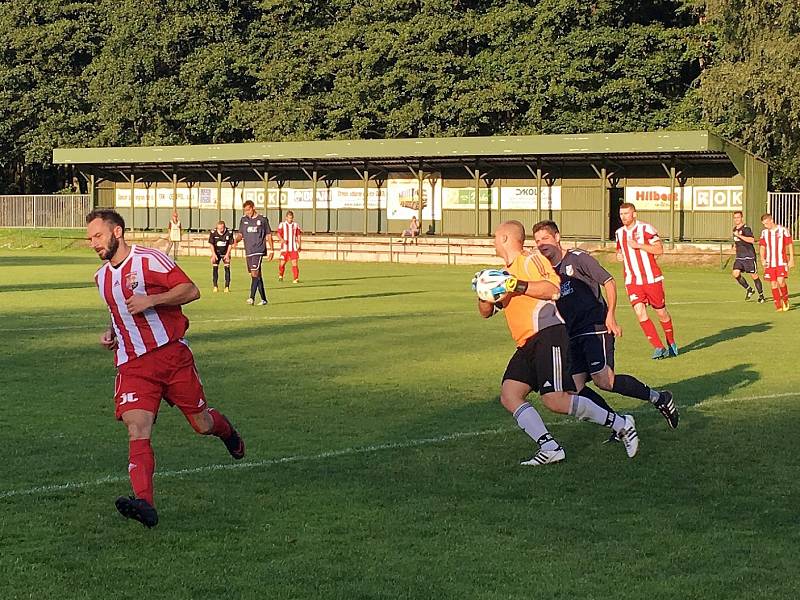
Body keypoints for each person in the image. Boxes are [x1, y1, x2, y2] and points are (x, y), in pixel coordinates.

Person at [85, 208, 245, 528]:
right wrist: (113, 332)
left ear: (118, 232)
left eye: (98, 236)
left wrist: (152, 301)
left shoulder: (150, 260)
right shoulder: (101, 277)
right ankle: (145, 502)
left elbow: (191, 290)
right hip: (133, 364)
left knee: (201, 424)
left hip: (171, 356)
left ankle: (226, 431)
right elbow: (119, 311)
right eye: (90, 238)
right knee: (137, 427)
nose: (93, 243)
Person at [475, 220, 639, 467]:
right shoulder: (502, 272)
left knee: (555, 399)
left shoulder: (532, 260)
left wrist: (515, 284)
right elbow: (486, 313)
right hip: (526, 342)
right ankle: (550, 447)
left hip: (547, 334)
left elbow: (552, 289)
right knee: (510, 395)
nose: (493, 241)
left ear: (507, 238)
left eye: (496, 236)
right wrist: (484, 293)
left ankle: (621, 424)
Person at [532, 220, 678, 438]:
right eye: (537, 241)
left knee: (605, 380)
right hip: (572, 334)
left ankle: (660, 398)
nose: (541, 244)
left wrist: (610, 315)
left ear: (557, 237)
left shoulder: (578, 258)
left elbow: (608, 281)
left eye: (545, 238)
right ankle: (620, 425)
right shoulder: (548, 272)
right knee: (574, 389)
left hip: (595, 327)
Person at [615, 202, 677, 359]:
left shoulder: (646, 229)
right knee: (639, 311)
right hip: (632, 280)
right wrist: (619, 256)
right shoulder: (619, 233)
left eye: (626, 214)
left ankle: (671, 342)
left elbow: (659, 249)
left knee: (661, 312)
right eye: (621, 214)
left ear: (634, 214)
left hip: (651, 278)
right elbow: (619, 251)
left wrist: (639, 245)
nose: (623, 217)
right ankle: (658, 347)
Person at [233, 200, 274, 305]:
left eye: (248, 210)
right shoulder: (243, 220)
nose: (247, 212)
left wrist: (272, 250)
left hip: (258, 250)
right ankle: (264, 299)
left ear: (253, 208)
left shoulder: (262, 219)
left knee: (255, 272)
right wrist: (235, 240)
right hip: (249, 251)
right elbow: (241, 234)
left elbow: (268, 235)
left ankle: (251, 297)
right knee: (256, 275)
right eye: (245, 210)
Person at [759, 213, 794, 311]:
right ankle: (778, 304)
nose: (765, 226)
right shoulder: (764, 233)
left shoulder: (783, 230)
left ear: (771, 220)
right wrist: (762, 259)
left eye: (766, 223)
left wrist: (791, 259)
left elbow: (789, 244)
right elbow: (762, 246)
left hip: (781, 261)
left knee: (781, 281)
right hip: (770, 262)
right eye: (764, 224)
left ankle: (785, 299)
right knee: (773, 283)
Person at [731, 211, 765, 303]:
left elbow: (751, 240)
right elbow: (736, 241)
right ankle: (749, 289)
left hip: (749, 256)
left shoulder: (746, 229)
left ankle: (761, 295)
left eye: (738, 217)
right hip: (739, 257)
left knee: (754, 276)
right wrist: (735, 246)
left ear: (742, 218)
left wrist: (739, 235)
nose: (736, 219)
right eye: (735, 218)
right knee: (735, 274)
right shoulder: (734, 229)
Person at [276, 210, 302, 283]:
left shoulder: (296, 225)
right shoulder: (282, 224)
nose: (290, 219)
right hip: (285, 248)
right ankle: (281, 275)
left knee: (294, 263)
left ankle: (296, 278)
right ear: (286, 218)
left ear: (293, 218)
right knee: (282, 263)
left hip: (293, 248)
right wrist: (282, 240)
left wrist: (299, 245)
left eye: (291, 218)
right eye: (289, 218)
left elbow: (298, 235)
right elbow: (278, 234)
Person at [208, 220, 234, 292]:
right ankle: (215, 286)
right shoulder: (213, 232)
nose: (220, 230)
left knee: (227, 268)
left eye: (222, 228)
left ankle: (227, 287)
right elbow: (211, 244)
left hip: (225, 252)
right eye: (219, 229)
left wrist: (227, 254)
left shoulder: (229, 232)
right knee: (215, 268)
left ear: (224, 227)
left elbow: (230, 244)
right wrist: (213, 254)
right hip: (216, 253)